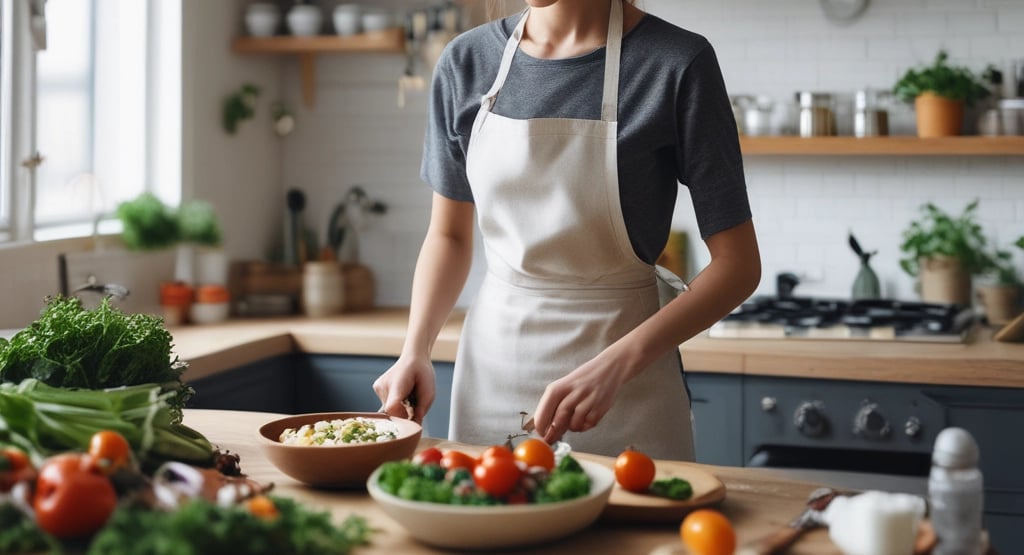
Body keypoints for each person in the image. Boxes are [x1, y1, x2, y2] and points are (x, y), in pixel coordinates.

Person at [373, 0, 760, 461]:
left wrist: (615, 366)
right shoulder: (466, 61)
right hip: (493, 372)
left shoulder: (676, 62)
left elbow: (738, 266)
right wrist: (416, 349)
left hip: (629, 386)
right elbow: (449, 237)